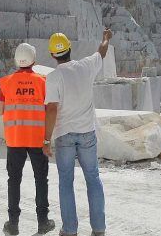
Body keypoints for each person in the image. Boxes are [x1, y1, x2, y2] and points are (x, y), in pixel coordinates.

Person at [43, 29, 113, 236]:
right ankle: (99, 229)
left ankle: (70, 230)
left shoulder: (53, 77)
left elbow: (52, 109)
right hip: (87, 133)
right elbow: (101, 52)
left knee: (66, 181)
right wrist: (106, 37)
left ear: (52, 55)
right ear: (69, 49)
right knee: (93, 178)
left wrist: (46, 140)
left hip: (64, 135)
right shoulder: (86, 66)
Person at [0, 43, 56, 235]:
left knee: (13, 180)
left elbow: (0, 110)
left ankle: (13, 224)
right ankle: (42, 222)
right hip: (37, 140)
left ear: (16, 60)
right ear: (34, 60)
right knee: (41, 179)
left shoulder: (6, 83)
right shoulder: (43, 82)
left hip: (15, 140)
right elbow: (49, 110)